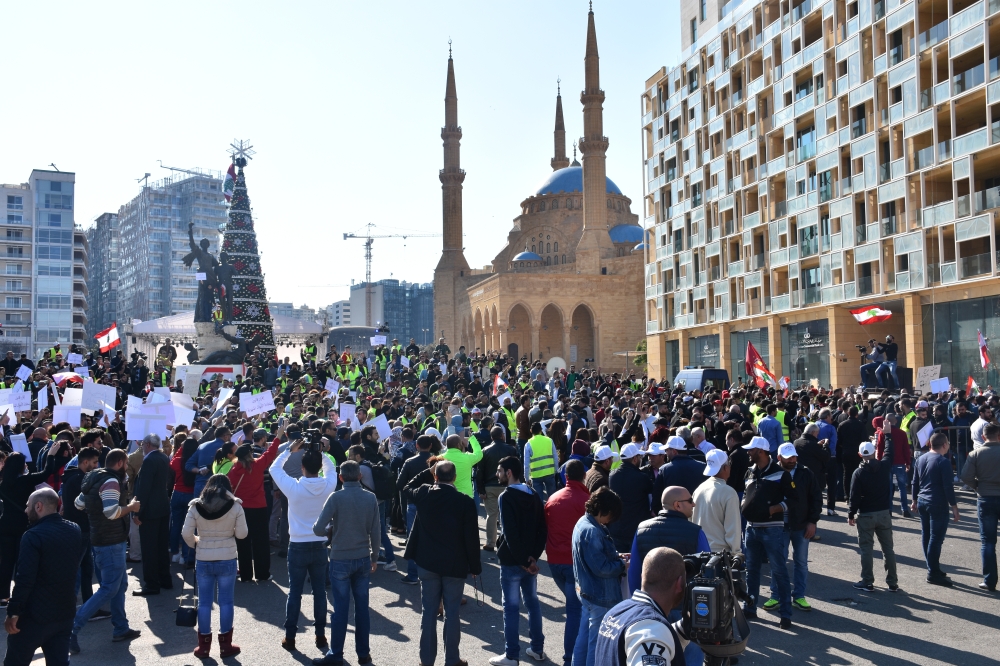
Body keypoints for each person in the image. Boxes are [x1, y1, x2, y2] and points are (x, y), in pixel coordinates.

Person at [403, 460, 481, 666]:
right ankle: (452, 660)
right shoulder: (464, 502)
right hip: (454, 564)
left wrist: (426, 473)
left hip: (427, 562)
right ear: (454, 478)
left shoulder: (424, 493)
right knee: (452, 613)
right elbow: (471, 537)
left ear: (435, 476)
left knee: (428, 613)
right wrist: (474, 567)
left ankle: (426, 660)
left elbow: (405, 486)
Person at [70, 448, 142, 654]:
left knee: (118, 586)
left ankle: (121, 628)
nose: (127, 467)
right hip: (110, 542)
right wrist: (132, 507)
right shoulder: (110, 481)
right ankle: (72, 628)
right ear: (120, 462)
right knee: (110, 588)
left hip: (103, 540)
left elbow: (78, 503)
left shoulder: (94, 478)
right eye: (126, 463)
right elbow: (111, 513)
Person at [269, 441, 339, 652]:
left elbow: (274, 468)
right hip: (319, 545)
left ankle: (290, 637)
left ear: (302, 468)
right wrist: (321, 452)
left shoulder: (294, 487)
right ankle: (320, 636)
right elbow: (331, 469)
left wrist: (290, 452)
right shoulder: (328, 486)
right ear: (318, 467)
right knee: (319, 592)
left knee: (295, 592)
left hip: (297, 544)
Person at [3, 488, 83, 666]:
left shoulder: (32, 536)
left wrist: (13, 612)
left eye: (28, 506)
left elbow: (24, 579)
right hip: (64, 613)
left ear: (38, 506)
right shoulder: (74, 529)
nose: (25, 510)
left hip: (35, 617)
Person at [311, 460, 380, 665]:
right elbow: (376, 531)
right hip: (362, 557)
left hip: (340, 557)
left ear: (341, 477)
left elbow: (317, 529)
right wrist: (375, 557)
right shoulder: (370, 498)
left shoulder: (336, 497)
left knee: (340, 610)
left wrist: (330, 530)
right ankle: (363, 653)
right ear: (360, 476)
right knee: (362, 608)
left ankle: (336, 654)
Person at [182, 474, 248, 659]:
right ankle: (226, 646)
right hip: (227, 557)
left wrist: (196, 542)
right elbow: (242, 534)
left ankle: (203, 647)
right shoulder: (235, 505)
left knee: (204, 602)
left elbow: (186, 533)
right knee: (226, 601)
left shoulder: (196, 506)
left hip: (203, 557)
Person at [489, 456, 548, 666]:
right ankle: (538, 649)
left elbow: (510, 533)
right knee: (532, 603)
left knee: (511, 608)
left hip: (513, 561)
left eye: (499, 471)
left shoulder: (506, 497)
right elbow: (543, 529)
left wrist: (524, 559)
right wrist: (533, 557)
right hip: (529, 559)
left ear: (509, 472)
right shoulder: (533, 494)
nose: (497, 474)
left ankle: (512, 655)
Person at [594, 547, 689, 666]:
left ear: (642, 577)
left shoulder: (616, 612)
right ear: (680, 583)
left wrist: (686, 626)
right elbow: (651, 636)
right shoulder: (651, 629)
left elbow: (654, 639)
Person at [740, 435, 794, 628]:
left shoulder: (781, 474)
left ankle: (786, 614)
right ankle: (750, 608)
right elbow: (746, 494)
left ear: (761, 451)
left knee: (779, 571)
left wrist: (775, 509)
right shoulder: (749, 472)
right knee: (751, 571)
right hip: (751, 529)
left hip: (772, 530)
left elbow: (793, 500)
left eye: (751, 450)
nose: (748, 452)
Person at [571, 486, 627, 666]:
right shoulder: (593, 531)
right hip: (600, 596)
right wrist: (622, 564)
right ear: (605, 511)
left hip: (587, 592)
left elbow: (595, 558)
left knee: (584, 638)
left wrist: (617, 556)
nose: (610, 521)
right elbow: (601, 568)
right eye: (611, 516)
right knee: (597, 644)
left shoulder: (583, 523)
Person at [0, 446, 62, 606]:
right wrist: (50, 455)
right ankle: (20, 595)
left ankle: (3, 596)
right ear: (21, 466)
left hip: (5, 524)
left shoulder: (3, 483)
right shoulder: (26, 480)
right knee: (23, 562)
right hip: (23, 524)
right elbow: (46, 472)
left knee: (6, 562)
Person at [765, 442, 821, 614]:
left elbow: (816, 499)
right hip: (778, 525)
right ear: (779, 458)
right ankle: (775, 595)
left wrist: (812, 522)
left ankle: (799, 596)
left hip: (801, 525)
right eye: (788, 458)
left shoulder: (806, 473)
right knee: (777, 561)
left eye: (794, 457)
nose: (792, 460)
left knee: (801, 562)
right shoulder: (772, 473)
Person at [543, 459, 589, 666]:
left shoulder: (553, 498)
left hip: (554, 561)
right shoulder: (587, 500)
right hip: (575, 563)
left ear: (566, 477)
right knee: (575, 610)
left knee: (574, 607)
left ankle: (572, 656)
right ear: (584, 475)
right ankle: (570, 658)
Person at [227, 431, 280, 583]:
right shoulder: (256, 466)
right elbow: (270, 453)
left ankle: (245, 574)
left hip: (241, 509)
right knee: (260, 542)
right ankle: (262, 573)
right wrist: (278, 436)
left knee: (242, 542)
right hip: (259, 508)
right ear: (250, 454)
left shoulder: (233, 470)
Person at [848, 440, 899, 592]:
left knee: (866, 549)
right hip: (884, 513)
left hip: (866, 515)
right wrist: (888, 435)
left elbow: (854, 496)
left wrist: (851, 513)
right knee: (888, 549)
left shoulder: (858, 473)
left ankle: (867, 581)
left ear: (859, 455)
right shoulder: (884, 466)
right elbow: (889, 453)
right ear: (875, 452)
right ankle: (893, 582)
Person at [911, 432, 961, 586]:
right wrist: (954, 506)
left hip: (923, 501)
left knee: (927, 535)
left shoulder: (921, 459)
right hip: (937, 503)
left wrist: (913, 500)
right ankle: (932, 572)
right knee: (936, 538)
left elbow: (915, 482)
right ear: (944, 445)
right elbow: (948, 486)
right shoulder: (943, 461)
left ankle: (933, 567)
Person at [59, 447, 103, 612]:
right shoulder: (80, 480)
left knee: (85, 570)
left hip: (79, 528)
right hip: (81, 529)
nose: (96, 465)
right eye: (94, 462)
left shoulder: (73, 477)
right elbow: (88, 504)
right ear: (85, 462)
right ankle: (66, 609)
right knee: (75, 571)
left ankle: (89, 607)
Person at [132, 434, 174, 597]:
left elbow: (144, 489)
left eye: (143, 444)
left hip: (150, 509)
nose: (141, 446)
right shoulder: (163, 457)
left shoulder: (149, 460)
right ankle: (165, 579)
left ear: (148, 444)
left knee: (149, 549)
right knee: (161, 547)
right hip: (162, 507)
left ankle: (151, 584)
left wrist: (138, 511)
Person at [960, 422, 1000, 591]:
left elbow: (965, 476)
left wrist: (977, 486)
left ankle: (989, 580)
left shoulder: (975, 454)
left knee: (988, 542)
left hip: (985, 498)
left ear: (983, 437)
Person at [397, 435, 436, 584]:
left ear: (417, 446)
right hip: (433, 504)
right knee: (432, 538)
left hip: (413, 502)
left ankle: (413, 575)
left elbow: (400, 484)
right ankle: (432, 573)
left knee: (413, 539)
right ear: (431, 446)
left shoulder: (410, 462)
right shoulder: (437, 461)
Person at [692, 449, 743, 554]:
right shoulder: (729, 493)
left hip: (699, 551)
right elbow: (733, 529)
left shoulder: (699, 489)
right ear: (725, 468)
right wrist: (736, 553)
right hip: (720, 554)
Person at [478, 426, 518, 552]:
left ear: (491, 437)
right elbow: (517, 467)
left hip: (490, 487)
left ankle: (490, 543)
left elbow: (480, 472)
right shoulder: (511, 449)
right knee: (509, 514)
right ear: (502, 436)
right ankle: (509, 542)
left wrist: (481, 489)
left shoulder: (485, 451)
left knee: (492, 515)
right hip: (508, 486)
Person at [608, 443, 653, 553]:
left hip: (617, 529)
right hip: (636, 530)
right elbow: (652, 497)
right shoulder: (642, 478)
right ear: (634, 459)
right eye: (639, 457)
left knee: (620, 565)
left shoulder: (612, 476)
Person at [523, 421, 558, 503]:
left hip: (536, 476)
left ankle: (541, 515)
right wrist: (556, 470)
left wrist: (527, 478)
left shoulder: (528, 444)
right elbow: (555, 457)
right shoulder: (549, 440)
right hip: (549, 473)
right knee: (552, 498)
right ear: (541, 430)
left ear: (531, 431)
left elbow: (526, 463)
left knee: (538, 501)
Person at [440, 432, 483, 498]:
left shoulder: (440, 458)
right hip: (466, 496)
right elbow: (479, 454)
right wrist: (472, 438)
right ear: (458, 445)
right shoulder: (467, 457)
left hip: (446, 496)